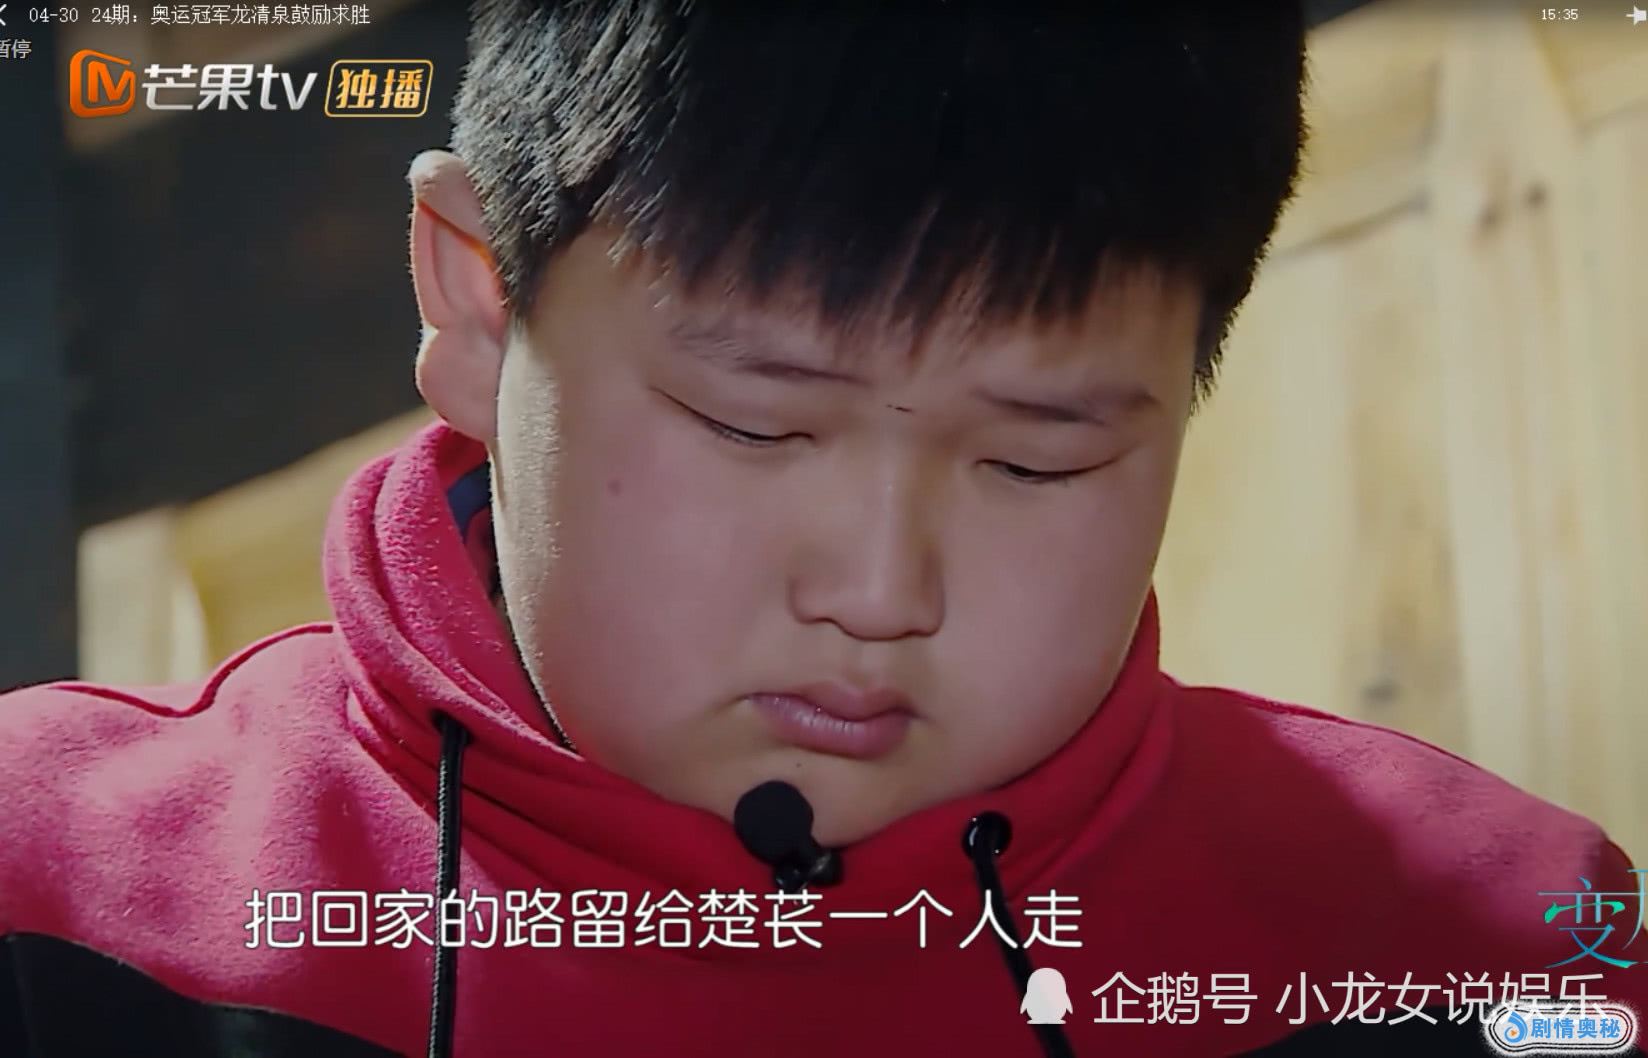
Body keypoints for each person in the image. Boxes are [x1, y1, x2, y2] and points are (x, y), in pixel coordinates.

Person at [3, 2, 1644, 1056]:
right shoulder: (48, 892)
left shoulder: (1491, 948)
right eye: (756, 423)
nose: (877, 590)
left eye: (1038, 459)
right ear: (478, 298)